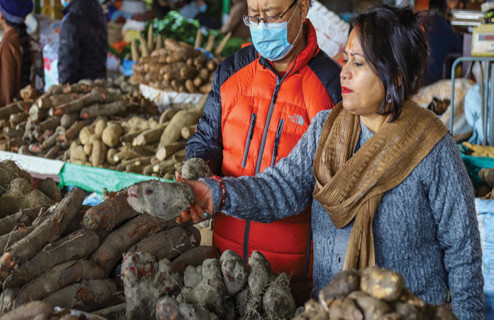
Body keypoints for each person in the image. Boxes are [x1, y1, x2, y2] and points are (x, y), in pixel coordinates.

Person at [179, 5, 483, 319]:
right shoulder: (326, 128)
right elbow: (279, 189)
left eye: (359, 63)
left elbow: (463, 251)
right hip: (334, 311)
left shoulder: (433, 148)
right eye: (346, 59)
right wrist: (218, 193)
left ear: (395, 75)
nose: (345, 72)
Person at [184, 0, 341, 305]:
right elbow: (206, 139)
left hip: (293, 280)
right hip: (225, 267)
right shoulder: (232, 70)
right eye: (254, 16)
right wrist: (197, 169)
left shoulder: (331, 85)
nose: (262, 25)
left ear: (303, 8)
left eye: (272, 15)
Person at [0, 0, 45, 110]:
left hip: (12, 123)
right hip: (35, 120)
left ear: (1, 17)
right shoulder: (35, 44)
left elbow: (0, 103)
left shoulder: (8, 47)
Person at [58, 0, 107, 84]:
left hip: (79, 86)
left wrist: (64, 88)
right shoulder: (98, 12)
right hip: (98, 83)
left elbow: (67, 60)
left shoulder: (70, 21)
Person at [425, 0, 462, 85]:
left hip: (420, 84)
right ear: (446, 10)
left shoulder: (422, 29)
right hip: (442, 83)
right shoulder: (451, 31)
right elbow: (460, 56)